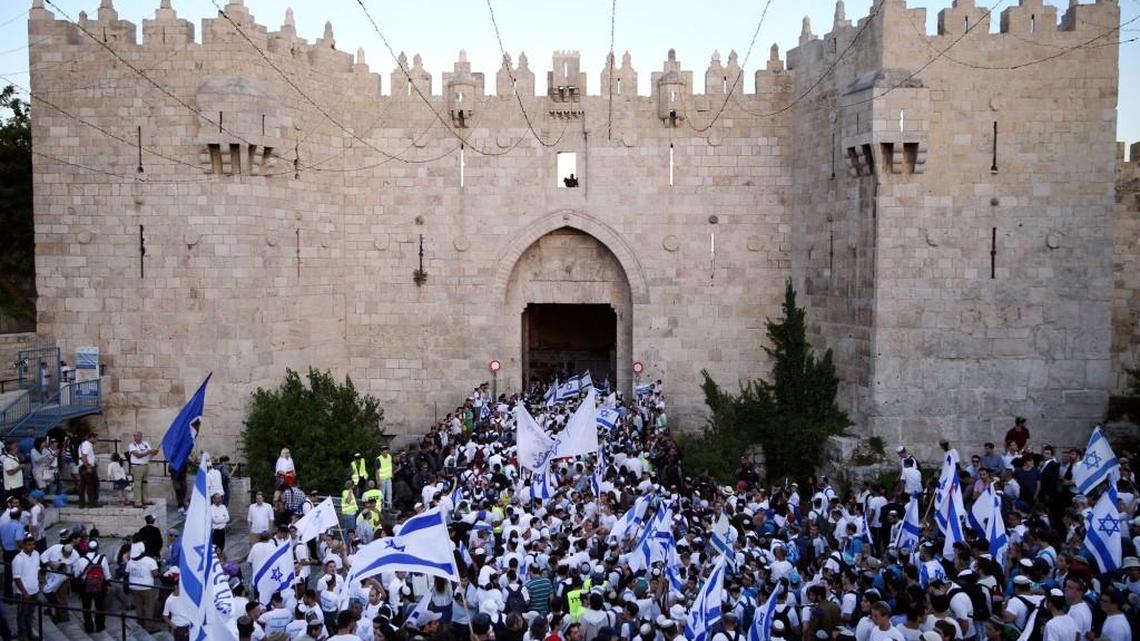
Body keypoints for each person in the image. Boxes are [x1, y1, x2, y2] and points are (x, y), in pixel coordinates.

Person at [76, 539, 111, 633]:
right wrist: (107, 584)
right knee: (100, 605)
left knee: (86, 606)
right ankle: (100, 625)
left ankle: (89, 627)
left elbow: (76, 574)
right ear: (97, 548)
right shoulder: (102, 558)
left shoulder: (81, 559)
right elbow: (107, 575)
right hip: (100, 585)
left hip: (85, 585)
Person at [126, 543, 160, 632]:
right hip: (146, 587)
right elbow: (155, 574)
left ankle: (140, 624)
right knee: (149, 607)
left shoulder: (130, 561)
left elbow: (127, 573)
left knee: (139, 606)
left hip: (133, 587)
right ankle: (149, 627)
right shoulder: (150, 561)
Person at [12, 535, 41, 641]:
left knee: (30, 613)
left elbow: (38, 568)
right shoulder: (18, 559)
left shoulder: (36, 554)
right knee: (22, 614)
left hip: (35, 590)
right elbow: (17, 578)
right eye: (29, 545)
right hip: (23, 593)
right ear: (23, 545)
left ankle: (30, 632)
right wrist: (24, 593)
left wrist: (39, 582)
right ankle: (22, 635)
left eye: (33, 544)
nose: (31, 547)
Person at [127, 431, 159, 507]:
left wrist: (154, 452)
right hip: (137, 467)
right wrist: (148, 452)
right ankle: (137, 502)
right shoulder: (132, 445)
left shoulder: (145, 444)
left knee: (145, 483)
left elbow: (151, 453)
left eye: (137, 436)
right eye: (134, 436)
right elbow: (137, 455)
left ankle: (145, 500)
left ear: (141, 437)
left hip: (145, 465)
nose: (135, 438)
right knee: (137, 485)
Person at [78, 431, 100, 507]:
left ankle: (81, 503)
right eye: (96, 438)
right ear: (92, 438)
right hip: (87, 467)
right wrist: (88, 467)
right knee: (92, 485)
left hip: (82, 466)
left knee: (82, 486)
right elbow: (84, 457)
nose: (96, 440)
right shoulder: (88, 445)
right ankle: (92, 503)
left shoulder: (82, 444)